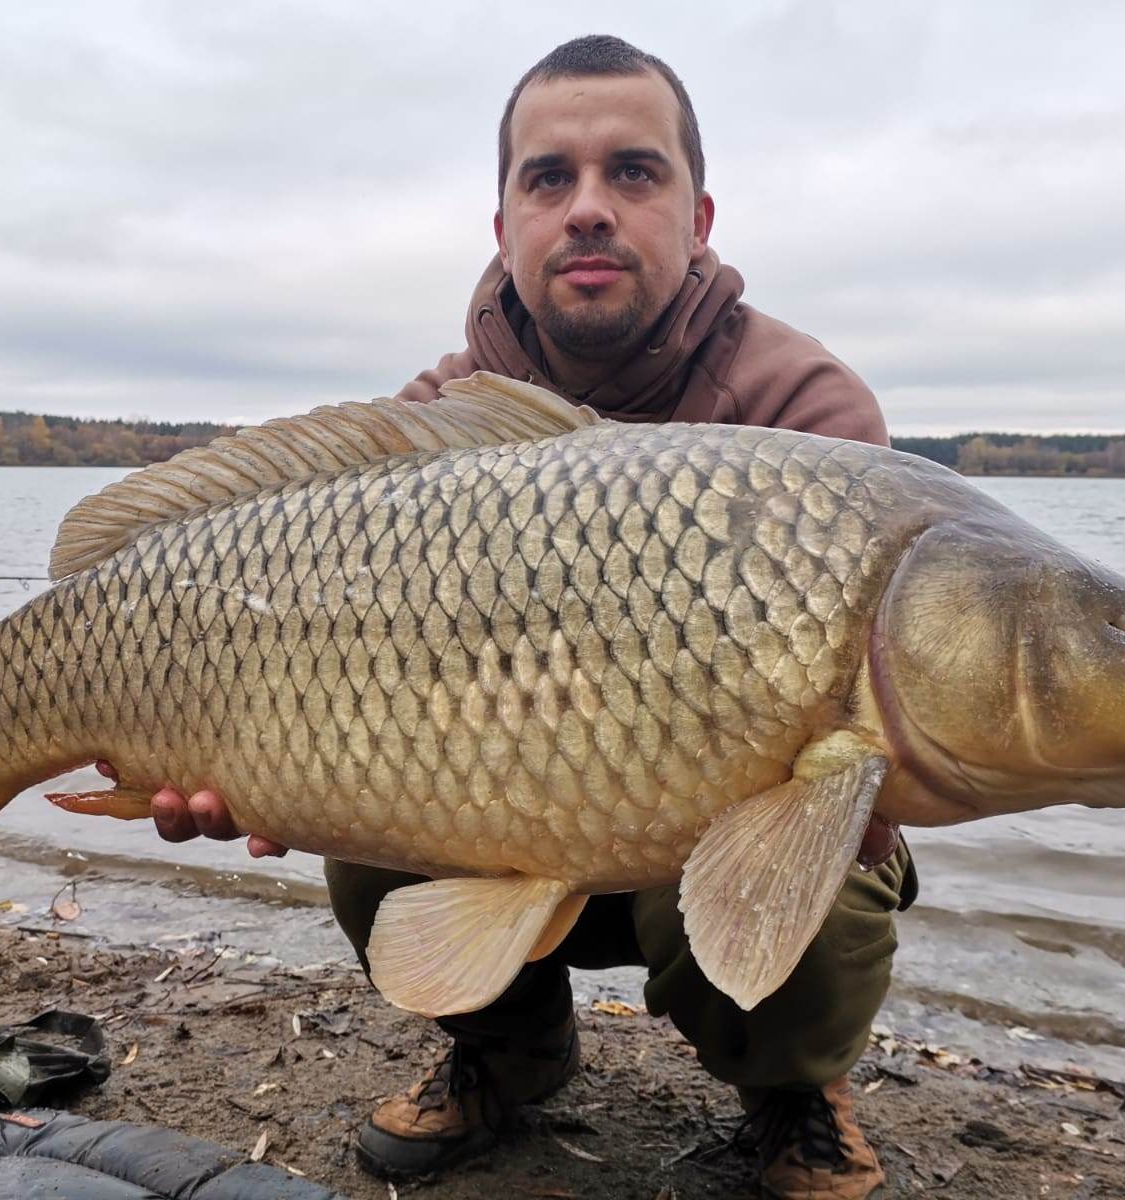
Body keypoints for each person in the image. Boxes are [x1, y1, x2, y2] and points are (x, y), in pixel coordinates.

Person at [125, 35, 915, 1200]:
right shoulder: (439, 420)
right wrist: (228, 752)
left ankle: (793, 1091)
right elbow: (289, 634)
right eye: (550, 179)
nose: (588, 209)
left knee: (830, 824)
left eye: (632, 174)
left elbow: (875, 713)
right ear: (504, 225)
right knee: (356, 810)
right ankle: (509, 1051)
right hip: (499, 814)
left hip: (703, 840)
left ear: (698, 217)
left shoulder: (801, 411)